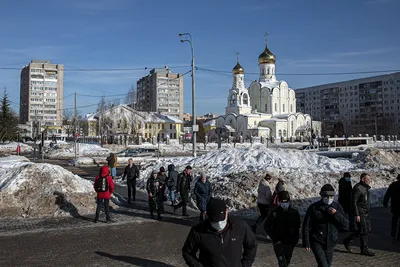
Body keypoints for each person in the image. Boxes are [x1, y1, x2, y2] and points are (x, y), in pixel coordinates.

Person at [182, 198, 258, 267]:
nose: (219, 224)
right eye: (214, 221)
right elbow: (187, 252)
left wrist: (245, 265)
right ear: (207, 216)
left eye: (222, 220)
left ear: (226, 211)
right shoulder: (198, 231)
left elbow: (252, 244)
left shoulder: (240, 226)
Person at [303, 184, 348, 267]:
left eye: (332, 196)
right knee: (324, 265)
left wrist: (336, 214)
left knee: (327, 264)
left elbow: (346, 224)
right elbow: (306, 225)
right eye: (327, 196)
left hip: (330, 241)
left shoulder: (337, 206)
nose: (329, 198)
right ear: (322, 196)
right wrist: (306, 242)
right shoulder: (314, 207)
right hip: (317, 240)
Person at [264, 191, 301, 267]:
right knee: (282, 262)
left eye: (286, 201)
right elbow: (266, 226)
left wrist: (295, 239)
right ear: (279, 202)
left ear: (289, 201)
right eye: (282, 201)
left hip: (290, 242)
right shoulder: (274, 212)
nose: (284, 203)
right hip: (278, 242)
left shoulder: (294, 212)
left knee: (287, 261)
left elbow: (298, 226)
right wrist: (274, 238)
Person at [343, 173, 375, 256]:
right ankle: (363, 248)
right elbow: (354, 202)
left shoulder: (365, 188)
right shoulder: (358, 188)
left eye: (369, 179)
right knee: (363, 230)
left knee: (366, 230)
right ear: (362, 179)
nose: (369, 181)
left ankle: (350, 241)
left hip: (366, 212)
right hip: (360, 213)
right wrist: (357, 214)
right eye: (367, 179)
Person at [383, 174, 400, 238]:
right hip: (395, 206)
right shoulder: (393, 185)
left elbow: (388, 194)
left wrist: (385, 201)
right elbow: (388, 194)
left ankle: (393, 233)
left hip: (395, 206)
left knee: (394, 221)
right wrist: (385, 201)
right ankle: (398, 235)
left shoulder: (393, 185)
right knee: (395, 220)